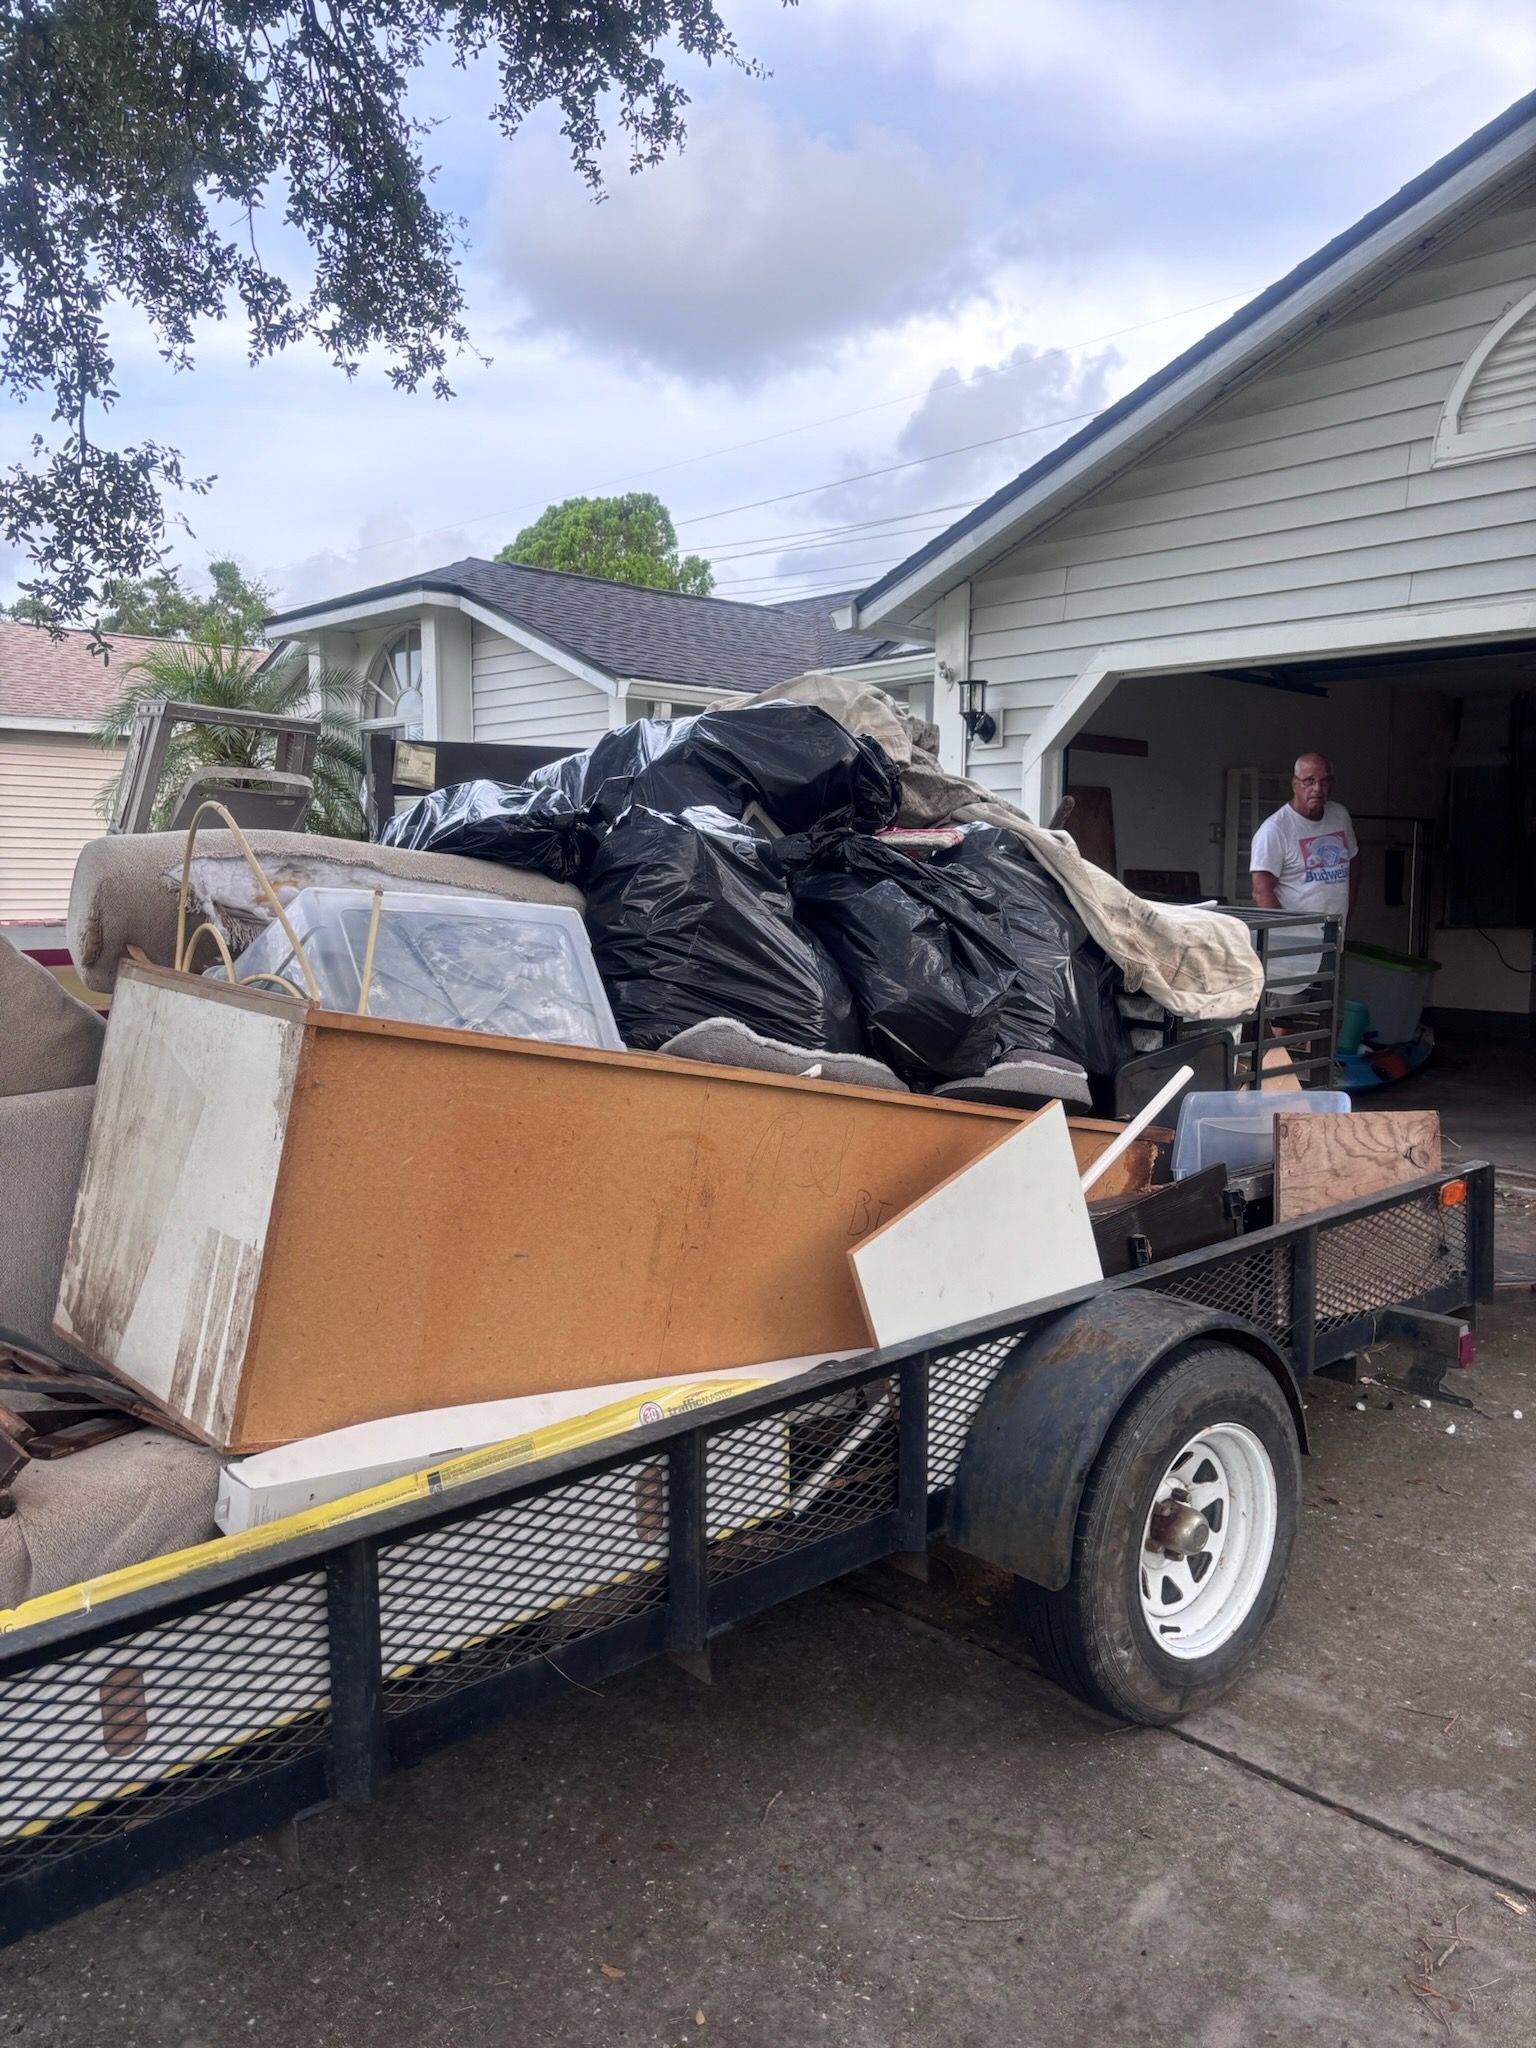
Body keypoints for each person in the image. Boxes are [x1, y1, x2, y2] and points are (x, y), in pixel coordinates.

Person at [1250, 752, 1358, 980]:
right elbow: (1261, 892)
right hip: (1293, 950)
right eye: (1309, 781)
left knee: (1328, 1008)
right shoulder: (1275, 830)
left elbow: (1354, 860)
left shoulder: (1339, 815)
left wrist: (1349, 908)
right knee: (1288, 1010)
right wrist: (1287, 939)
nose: (1318, 788)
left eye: (1324, 781)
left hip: (1332, 938)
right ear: (1295, 784)